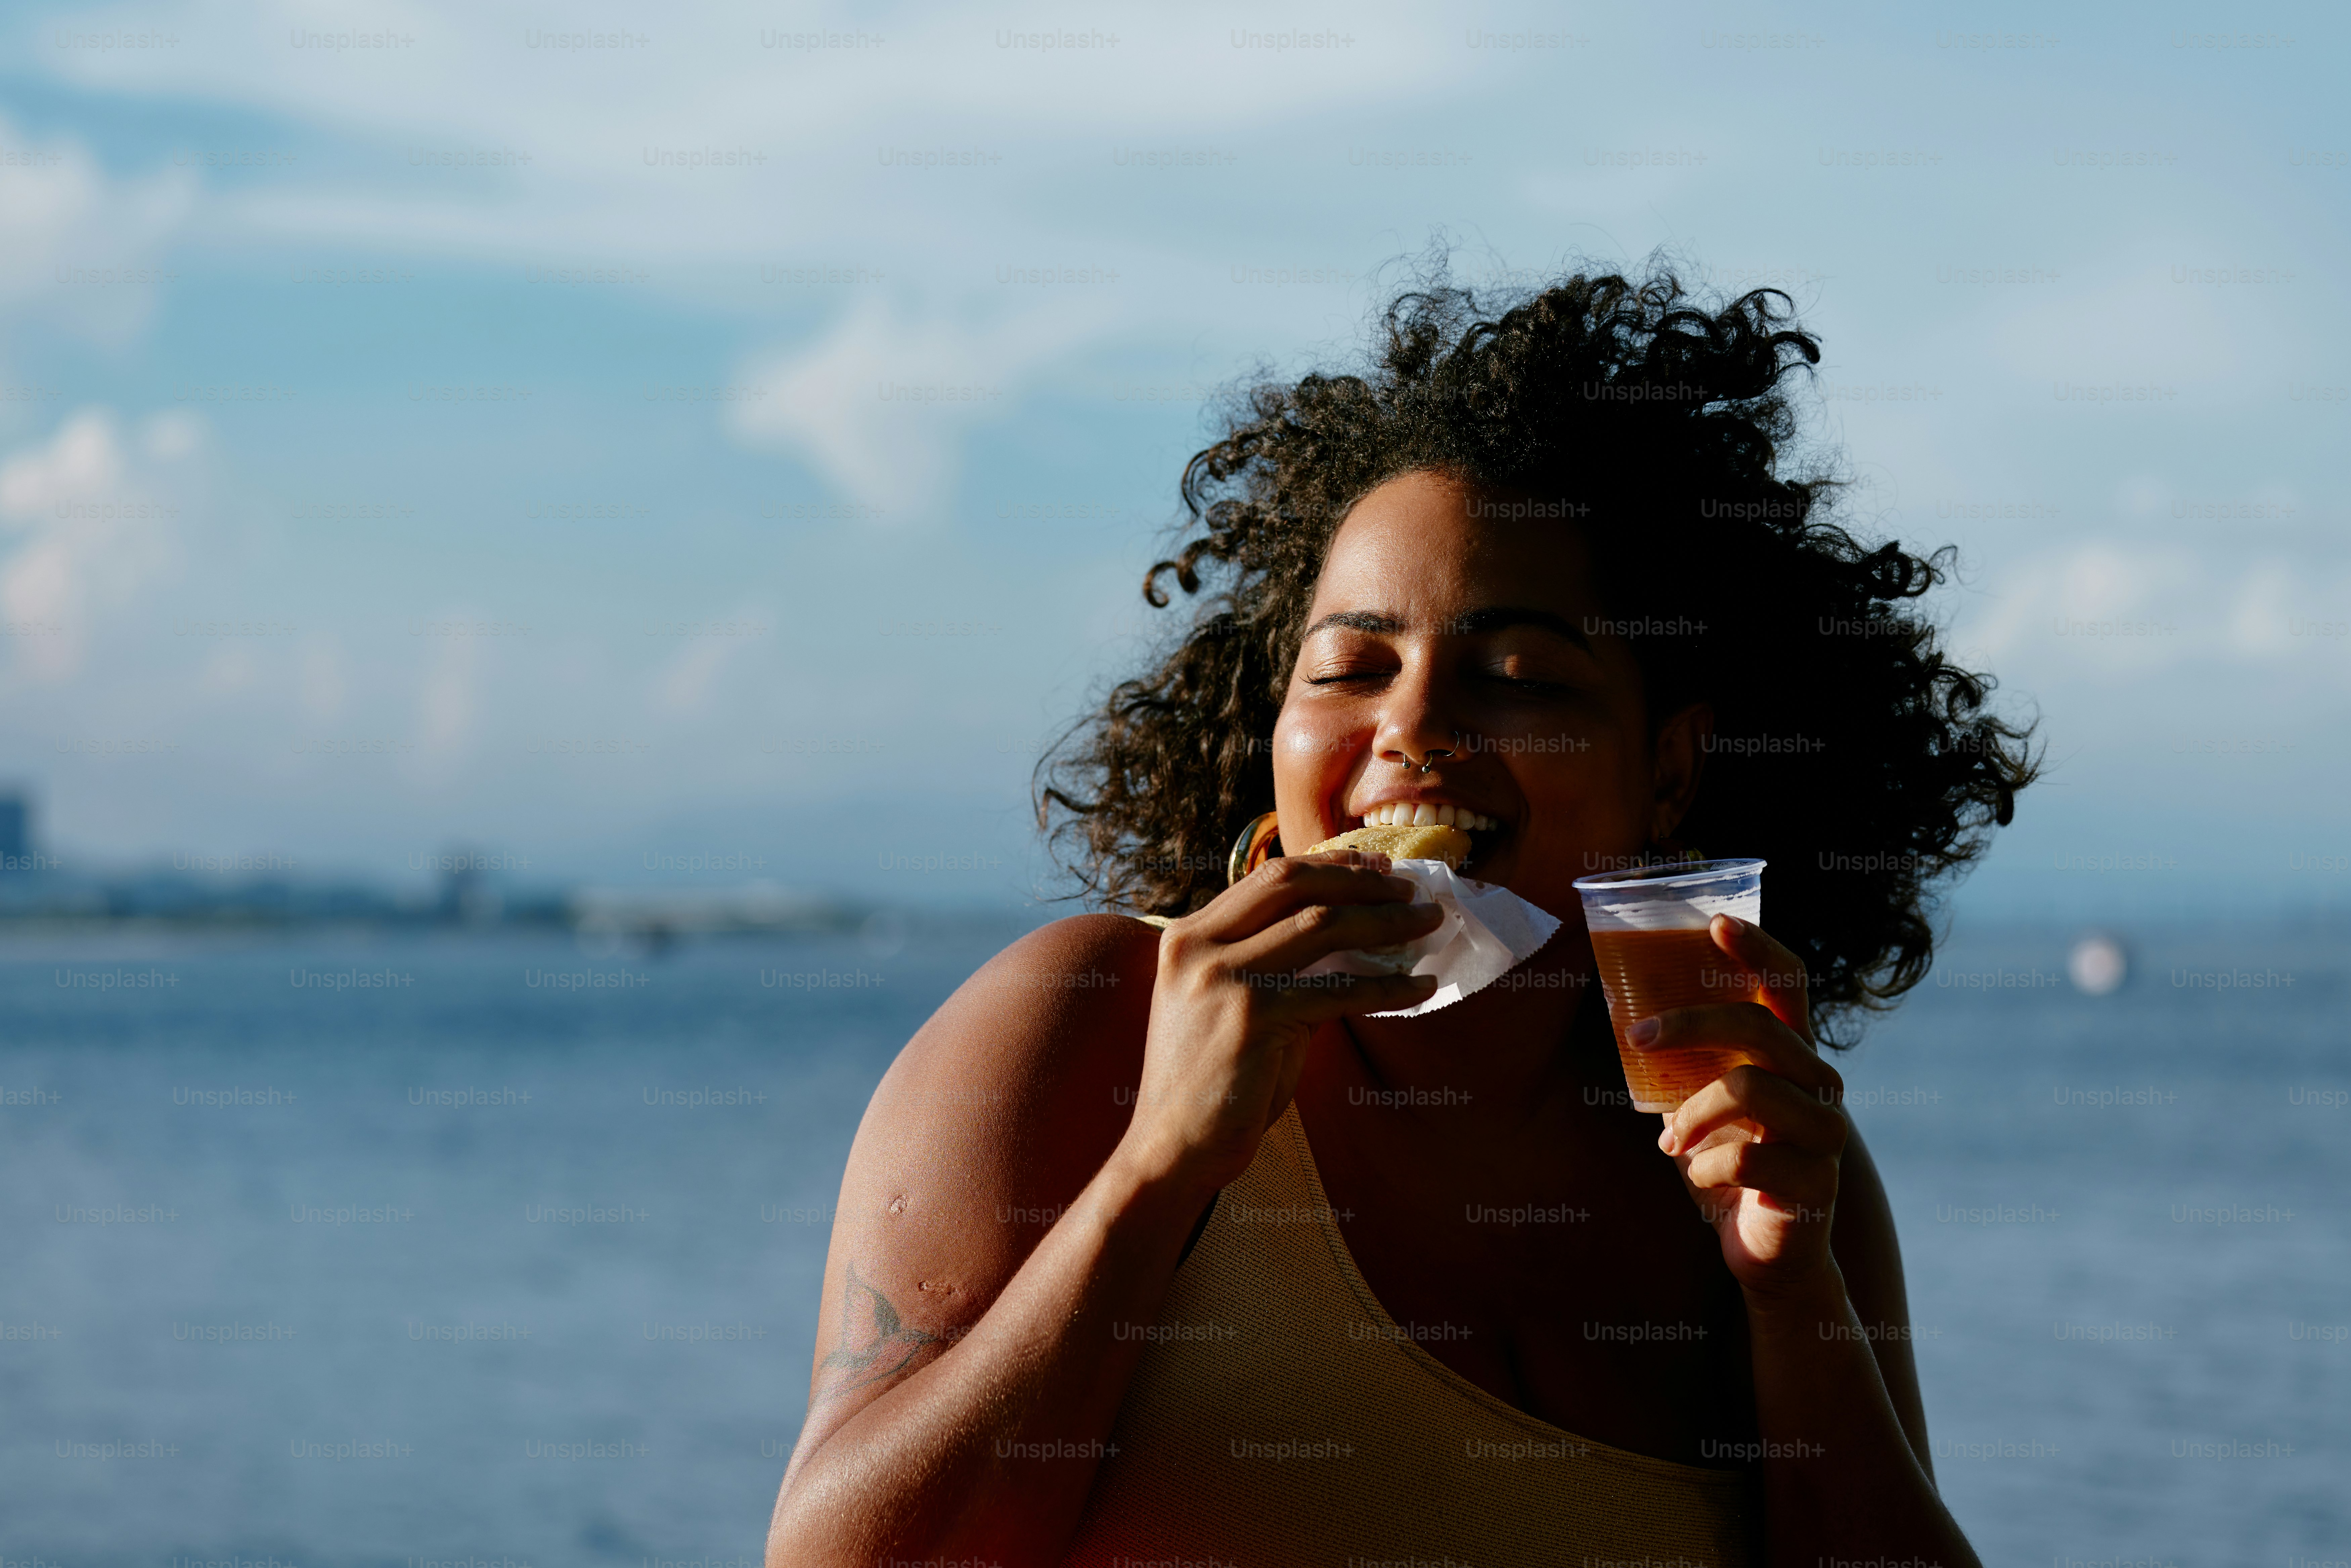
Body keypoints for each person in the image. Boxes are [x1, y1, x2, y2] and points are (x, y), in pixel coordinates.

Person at [764, 260, 2034, 1565]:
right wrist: (1160, 1168)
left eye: (1517, 672)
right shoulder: (1084, 1023)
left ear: (1667, 769)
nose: (1414, 726)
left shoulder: (1748, 1150)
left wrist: (1786, 1293)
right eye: (1352, 667)